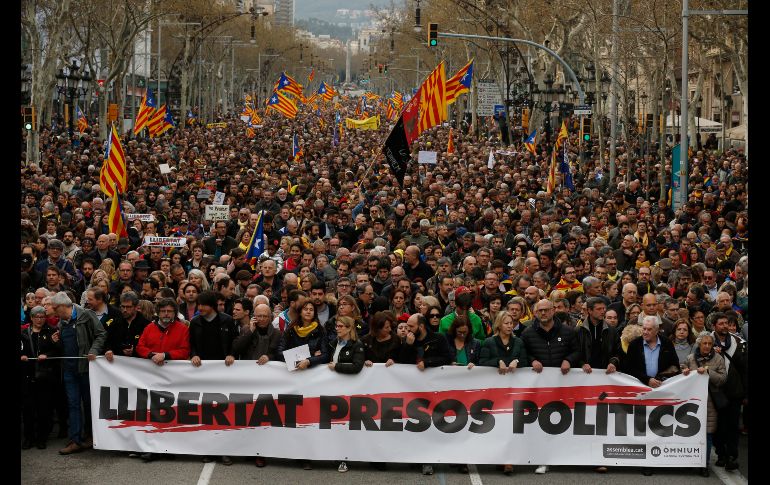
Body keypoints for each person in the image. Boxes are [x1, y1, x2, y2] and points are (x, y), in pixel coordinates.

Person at [520, 298, 583, 474]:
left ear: (553, 311)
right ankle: (543, 459)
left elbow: (577, 351)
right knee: (542, 423)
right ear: (535, 312)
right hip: (538, 387)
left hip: (563, 386)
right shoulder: (527, 333)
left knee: (564, 421)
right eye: (540, 311)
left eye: (546, 310)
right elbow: (523, 353)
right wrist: (532, 360)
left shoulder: (569, 332)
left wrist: (568, 360)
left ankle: (566, 456)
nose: (543, 313)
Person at [135, 298, 191, 462]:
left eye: (170, 311)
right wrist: (151, 355)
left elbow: (184, 350)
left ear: (175, 312)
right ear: (158, 312)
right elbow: (140, 346)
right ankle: (151, 448)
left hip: (173, 379)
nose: (166, 314)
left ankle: (169, 447)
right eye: (163, 311)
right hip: (151, 377)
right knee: (151, 412)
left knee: (170, 413)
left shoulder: (182, 329)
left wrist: (166, 355)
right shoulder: (149, 328)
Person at [50, 291, 106, 455]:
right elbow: (64, 346)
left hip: (86, 369)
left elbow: (101, 334)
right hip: (69, 370)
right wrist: (57, 341)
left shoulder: (86, 315)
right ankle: (75, 439)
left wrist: (93, 350)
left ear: (62, 306)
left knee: (89, 404)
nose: (53, 311)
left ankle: (90, 436)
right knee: (73, 404)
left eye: (54, 308)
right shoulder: (61, 323)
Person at [188, 290, 238, 466]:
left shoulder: (227, 320)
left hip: (224, 373)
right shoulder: (195, 323)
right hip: (203, 374)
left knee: (224, 412)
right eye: (198, 305)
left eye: (204, 305)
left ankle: (225, 450)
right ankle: (208, 449)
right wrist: (193, 355)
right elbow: (192, 344)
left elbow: (234, 341)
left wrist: (231, 354)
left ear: (213, 305)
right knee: (207, 411)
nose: (200, 308)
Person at [277, 298, 328, 469]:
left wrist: (310, 360)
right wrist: (298, 360)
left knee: (307, 417)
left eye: (311, 309)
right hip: (292, 376)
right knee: (290, 416)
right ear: (300, 312)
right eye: (305, 309)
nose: (308, 312)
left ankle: (306, 456)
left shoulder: (320, 330)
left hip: (311, 378)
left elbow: (325, 355)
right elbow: (280, 351)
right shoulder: (291, 330)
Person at [399, 313, 452, 475]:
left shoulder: (438, 338)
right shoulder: (408, 339)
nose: (408, 329)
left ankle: (428, 460)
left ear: (421, 326)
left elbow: (447, 357)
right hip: (412, 390)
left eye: (411, 326)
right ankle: (416, 457)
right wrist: (408, 346)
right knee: (415, 423)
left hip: (433, 389)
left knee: (430, 423)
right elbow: (401, 362)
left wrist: (427, 363)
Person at [682, 331, 726, 477]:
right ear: (699, 344)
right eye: (704, 343)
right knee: (690, 432)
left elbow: (722, 379)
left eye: (709, 344)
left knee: (707, 435)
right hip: (692, 402)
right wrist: (684, 371)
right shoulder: (690, 358)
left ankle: (704, 464)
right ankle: (690, 462)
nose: (707, 346)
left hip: (710, 403)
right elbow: (682, 370)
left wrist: (708, 371)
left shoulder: (718, 359)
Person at [325, 315, 366, 472]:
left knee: (347, 425)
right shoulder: (334, 343)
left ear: (349, 328)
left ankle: (345, 458)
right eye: (337, 326)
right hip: (334, 390)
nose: (338, 329)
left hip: (350, 392)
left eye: (341, 326)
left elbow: (356, 367)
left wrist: (337, 367)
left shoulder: (357, 345)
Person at [20, 306, 62, 450]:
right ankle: (28, 437)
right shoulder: (23, 332)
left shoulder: (51, 331)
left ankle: (42, 438)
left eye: (42, 317)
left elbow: (59, 350)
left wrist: (48, 355)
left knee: (44, 408)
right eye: (36, 317)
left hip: (45, 376)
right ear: (31, 318)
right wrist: (22, 356)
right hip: (27, 375)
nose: (39, 320)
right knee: (28, 409)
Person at [711, 312, 747, 472]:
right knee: (719, 426)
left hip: (734, 392)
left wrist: (745, 393)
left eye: (726, 323)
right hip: (715, 391)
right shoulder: (706, 341)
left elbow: (745, 370)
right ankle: (721, 454)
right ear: (714, 326)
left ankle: (732, 456)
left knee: (733, 425)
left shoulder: (740, 343)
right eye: (721, 323)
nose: (725, 326)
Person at [103, 291, 150, 362]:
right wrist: (108, 350)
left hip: (139, 364)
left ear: (136, 307)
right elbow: (106, 341)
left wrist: (134, 350)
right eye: (123, 306)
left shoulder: (146, 324)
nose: (125, 310)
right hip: (117, 364)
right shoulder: (114, 323)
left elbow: (149, 345)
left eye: (128, 307)